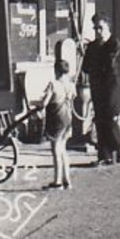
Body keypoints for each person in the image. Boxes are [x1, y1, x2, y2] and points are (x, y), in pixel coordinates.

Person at [81, 15, 120, 165]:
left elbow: (110, 65)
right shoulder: (93, 46)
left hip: (110, 85)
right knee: (99, 119)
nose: (98, 31)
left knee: (110, 118)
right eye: (95, 28)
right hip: (97, 86)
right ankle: (103, 154)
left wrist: (97, 62)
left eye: (100, 28)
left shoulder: (114, 44)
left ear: (108, 28)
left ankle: (119, 147)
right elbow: (86, 68)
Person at [40, 59, 75, 190]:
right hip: (68, 117)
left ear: (56, 71)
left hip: (56, 117)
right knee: (63, 149)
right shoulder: (70, 85)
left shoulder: (53, 84)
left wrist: (39, 104)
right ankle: (67, 180)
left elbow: (44, 103)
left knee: (55, 149)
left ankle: (57, 181)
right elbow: (72, 97)